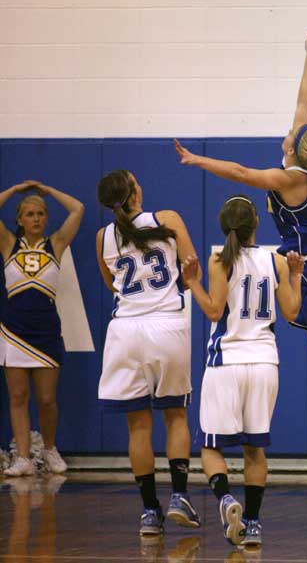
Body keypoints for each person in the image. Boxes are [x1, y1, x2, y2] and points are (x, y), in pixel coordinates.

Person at [175, 30, 307, 471]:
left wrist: (199, 161)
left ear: (293, 146)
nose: (287, 131)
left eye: (290, 133)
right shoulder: (300, 161)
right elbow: (304, 101)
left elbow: (238, 171)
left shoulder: (290, 177)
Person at [182, 195, 303, 546]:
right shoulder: (276, 260)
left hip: (227, 362)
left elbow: (214, 311)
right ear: (256, 224)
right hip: (265, 362)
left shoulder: (220, 259)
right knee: (255, 449)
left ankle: (225, 499)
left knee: (210, 447)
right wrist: (295, 276)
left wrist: (192, 283)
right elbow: (293, 312)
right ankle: (252, 523)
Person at [96, 170, 201, 536]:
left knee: (137, 425)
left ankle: (149, 513)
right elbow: (191, 273)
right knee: (175, 415)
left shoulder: (103, 237)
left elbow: (111, 283)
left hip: (125, 329)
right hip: (166, 324)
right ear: (135, 191)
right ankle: (180, 496)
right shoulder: (167, 220)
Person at [0, 180, 84, 476]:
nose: (35, 219)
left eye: (40, 214)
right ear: (19, 220)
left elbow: (78, 209)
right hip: (14, 330)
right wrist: (13, 191)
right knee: (18, 397)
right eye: (30, 214)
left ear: (46, 218)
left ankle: (48, 449)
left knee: (47, 399)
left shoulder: (56, 244)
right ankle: (23, 457)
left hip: (46, 330)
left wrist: (48, 190)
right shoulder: (8, 244)